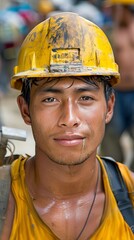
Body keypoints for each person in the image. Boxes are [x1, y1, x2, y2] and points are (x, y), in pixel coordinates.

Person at [1, 12, 134, 239]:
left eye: (85, 98)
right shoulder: (6, 201)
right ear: (25, 110)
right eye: (50, 99)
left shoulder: (130, 197)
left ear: (109, 106)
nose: (70, 117)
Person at [100, 0, 134, 171]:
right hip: (117, 93)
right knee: (110, 137)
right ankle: (114, 174)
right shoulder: (111, 32)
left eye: (114, 8)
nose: (111, 11)